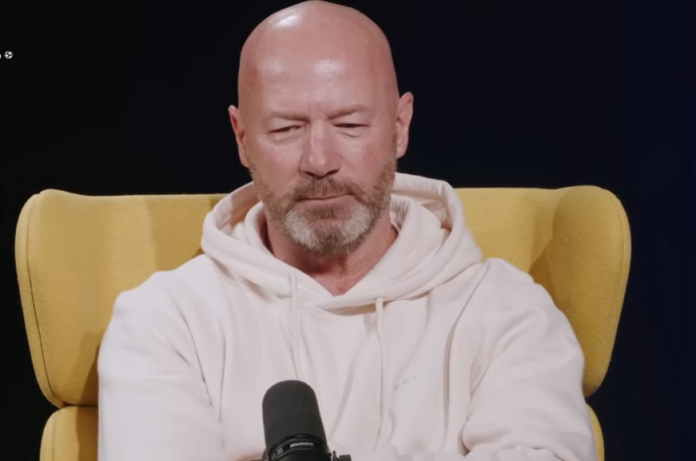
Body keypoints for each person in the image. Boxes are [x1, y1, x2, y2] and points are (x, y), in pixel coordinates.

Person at [97, 2, 596, 461]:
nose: (320, 161)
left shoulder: (507, 312)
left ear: (400, 126)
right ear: (242, 138)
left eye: (351, 125)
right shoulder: (165, 322)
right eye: (286, 129)